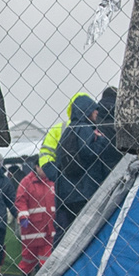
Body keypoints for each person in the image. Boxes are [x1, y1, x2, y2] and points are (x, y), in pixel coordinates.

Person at [54, 94, 118, 234]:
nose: (96, 112)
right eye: (93, 109)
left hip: (68, 194)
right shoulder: (84, 128)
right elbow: (88, 152)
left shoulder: (68, 131)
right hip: (84, 190)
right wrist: (101, 140)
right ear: (86, 110)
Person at [13, 158, 56, 275]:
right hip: (32, 228)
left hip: (49, 229)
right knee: (28, 258)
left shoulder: (53, 181)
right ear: (37, 167)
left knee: (46, 258)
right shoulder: (27, 182)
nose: (46, 171)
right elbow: (20, 200)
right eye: (43, 167)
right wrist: (23, 216)